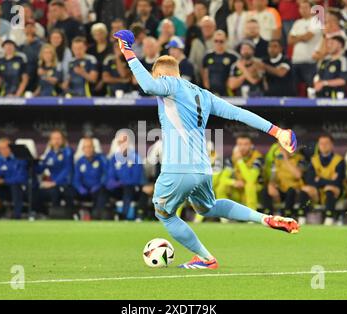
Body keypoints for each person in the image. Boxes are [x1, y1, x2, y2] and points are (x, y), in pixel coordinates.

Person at [113, 29, 299, 269]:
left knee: (164, 214)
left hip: (178, 168)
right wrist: (277, 131)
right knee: (206, 207)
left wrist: (127, 52)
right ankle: (265, 219)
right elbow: (239, 113)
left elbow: (148, 86)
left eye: (156, 76)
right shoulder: (203, 94)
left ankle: (205, 258)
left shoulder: (169, 85)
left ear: (162, 75)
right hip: (202, 168)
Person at [297, 134, 345, 226]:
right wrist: (327, 181)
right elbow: (310, 180)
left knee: (330, 188)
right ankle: (301, 217)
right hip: (318, 192)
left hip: (335, 192)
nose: (323, 146)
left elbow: (337, 182)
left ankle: (329, 218)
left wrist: (319, 180)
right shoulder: (314, 159)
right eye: (321, 143)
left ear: (332, 145)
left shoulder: (339, 160)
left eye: (326, 143)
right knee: (305, 189)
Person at [0, 138, 29, 219]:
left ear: (11, 148)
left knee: (15, 186)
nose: (3, 150)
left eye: (5, 148)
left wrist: (3, 181)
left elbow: (21, 178)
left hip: (22, 190)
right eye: (1, 148)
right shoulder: (0, 159)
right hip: (6, 189)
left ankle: (16, 216)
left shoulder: (20, 158)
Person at [215, 135, 264, 210]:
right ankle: (224, 216)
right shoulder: (232, 159)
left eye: (246, 144)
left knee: (249, 185)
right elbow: (222, 178)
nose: (243, 147)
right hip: (238, 189)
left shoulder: (257, 158)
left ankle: (252, 215)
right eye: (240, 144)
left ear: (251, 145)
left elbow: (251, 179)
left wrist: (240, 161)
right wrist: (234, 182)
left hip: (256, 189)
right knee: (221, 186)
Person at [105, 131, 144, 221]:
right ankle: (104, 216)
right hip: (119, 188)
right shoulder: (113, 159)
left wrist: (122, 182)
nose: (123, 144)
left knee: (128, 188)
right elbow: (110, 178)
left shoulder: (136, 158)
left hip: (133, 189)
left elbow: (135, 179)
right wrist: (118, 183)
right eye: (120, 142)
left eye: (125, 141)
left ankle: (124, 217)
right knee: (103, 190)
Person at [37, 130, 74, 216]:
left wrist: (54, 183)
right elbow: (40, 169)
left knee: (56, 191)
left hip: (66, 185)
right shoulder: (49, 154)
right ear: (50, 141)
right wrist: (33, 162)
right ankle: (42, 214)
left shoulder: (68, 151)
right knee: (36, 192)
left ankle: (61, 216)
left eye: (58, 138)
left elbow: (67, 170)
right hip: (53, 186)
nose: (56, 141)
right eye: (54, 138)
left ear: (63, 140)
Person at [262, 145, 305, 217]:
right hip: (280, 189)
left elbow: (298, 175)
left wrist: (285, 159)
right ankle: (268, 215)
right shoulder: (277, 160)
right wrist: (271, 185)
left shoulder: (300, 158)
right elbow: (273, 175)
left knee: (291, 191)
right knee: (266, 190)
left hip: (295, 190)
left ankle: (288, 215)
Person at [288, 0, 323, 90]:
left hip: (310, 61)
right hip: (296, 60)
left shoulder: (317, 20)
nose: (303, 10)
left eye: (305, 8)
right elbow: (290, 40)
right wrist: (302, 36)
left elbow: (308, 37)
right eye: (301, 8)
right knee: (294, 88)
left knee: (311, 87)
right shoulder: (297, 23)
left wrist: (297, 37)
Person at [73, 138, 108, 219]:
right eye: (85, 147)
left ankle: (96, 216)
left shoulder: (101, 159)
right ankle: (74, 215)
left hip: (97, 189)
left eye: (90, 147)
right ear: (82, 149)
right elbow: (76, 179)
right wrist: (80, 188)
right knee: (70, 191)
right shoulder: (80, 161)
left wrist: (99, 185)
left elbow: (106, 175)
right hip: (84, 191)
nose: (88, 149)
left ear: (94, 148)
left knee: (103, 192)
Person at [202, 30, 238, 96]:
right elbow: (205, 76)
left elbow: (236, 75)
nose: (218, 43)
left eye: (221, 41)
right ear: (213, 41)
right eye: (216, 41)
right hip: (211, 92)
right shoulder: (207, 56)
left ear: (226, 41)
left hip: (228, 93)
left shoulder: (233, 57)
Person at [189, 16, 216, 82]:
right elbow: (191, 61)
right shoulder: (196, 42)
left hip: (215, 78)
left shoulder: (219, 41)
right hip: (199, 78)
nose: (207, 29)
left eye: (209, 26)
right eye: (204, 26)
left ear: (214, 27)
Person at [20, 19, 43, 92]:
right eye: (27, 27)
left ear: (35, 29)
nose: (29, 29)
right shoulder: (21, 47)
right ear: (24, 30)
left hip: (36, 78)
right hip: (23, 78)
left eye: (31, 27)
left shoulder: (42, 45)